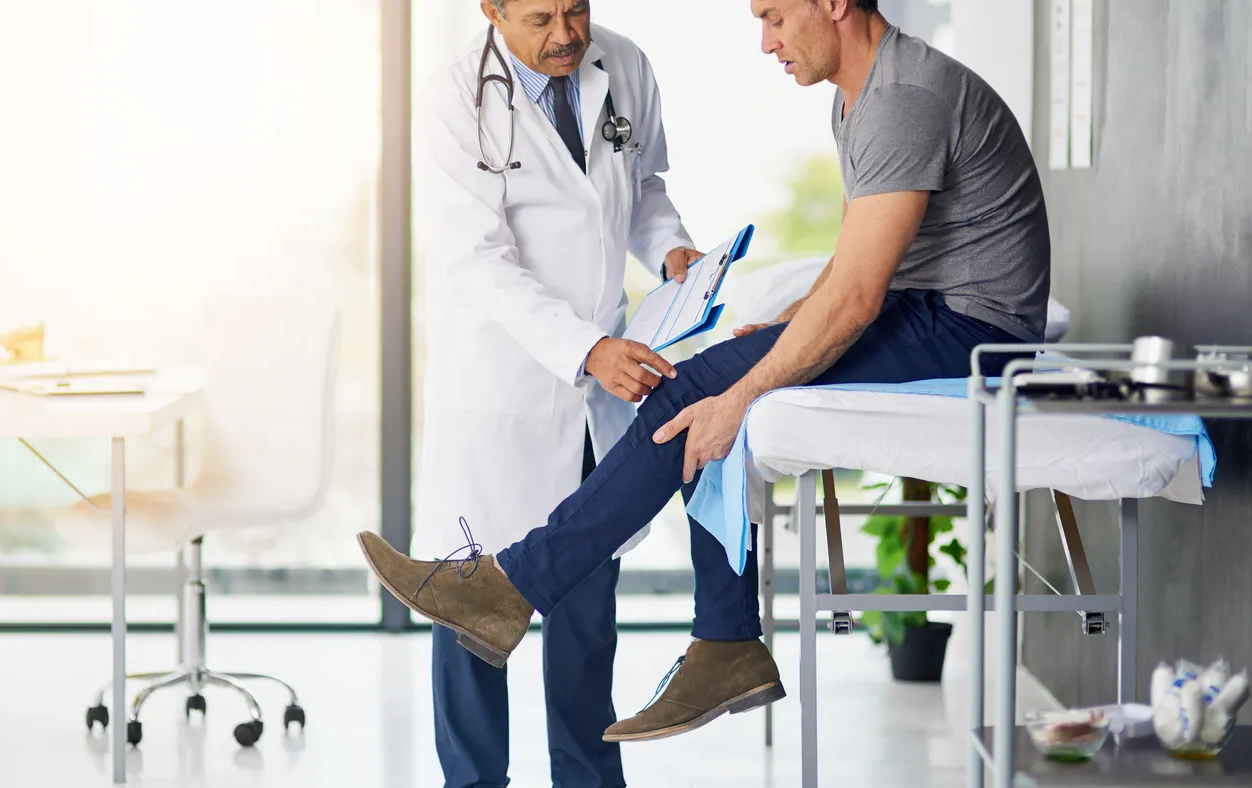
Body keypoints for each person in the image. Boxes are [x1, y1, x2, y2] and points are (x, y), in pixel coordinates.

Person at [369, 0, 1051, 746]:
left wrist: (748, 375)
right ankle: (711, 638)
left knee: (693, 401)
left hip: (963, 327)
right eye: (541, 18)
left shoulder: (898, 99)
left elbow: (856, 291)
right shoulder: (867, 97)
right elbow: (864, 268)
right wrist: (793, 325)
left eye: (775, 17)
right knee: (697, 393)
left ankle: (567, 602)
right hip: (507, 371)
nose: (765, 42)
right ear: (492, 10)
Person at [411, 0, 701, 785]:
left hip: (594, 393)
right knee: (471, 608)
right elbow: (475, 261)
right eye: (540, 17)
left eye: (575, 8)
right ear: (492, 10)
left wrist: (671, 250)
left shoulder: (626, 64)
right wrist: (587, 348)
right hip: (501, 385)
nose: (567, 34)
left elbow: (643, 187)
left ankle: (588, 778)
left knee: (584, 604)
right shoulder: (453, 100)